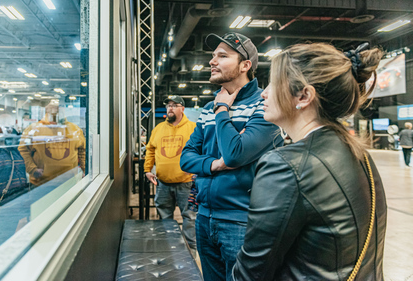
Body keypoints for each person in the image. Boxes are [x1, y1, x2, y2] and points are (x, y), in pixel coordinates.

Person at [232, 43, 388, 280]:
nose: (264, 92)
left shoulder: (286, 165)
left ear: (304, 96)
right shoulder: (357, 153)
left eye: (273, 83)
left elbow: (251, 273)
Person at [180, 32, 283, 281]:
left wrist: (223, 109)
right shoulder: (207, 109)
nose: (212, 61)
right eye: (213, 55)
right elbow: (186, 158)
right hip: (204, 217)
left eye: (223, 56)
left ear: (245, 65)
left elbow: (235, 154)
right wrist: (215, 164)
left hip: (241, 222)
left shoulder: (265, 106)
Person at [144, 95, 197, 252]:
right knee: (165, 219)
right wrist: (147, 170)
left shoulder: (193, 128)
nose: (170, 108)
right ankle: (169, 250)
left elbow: (202, 150)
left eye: (174, 105)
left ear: (182, 108)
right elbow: (150, 149)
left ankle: (190, 252)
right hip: (163, 183)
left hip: (187, 183)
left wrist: (198, 171)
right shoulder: (158, 129)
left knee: (190, 218)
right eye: (168, 105)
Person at [18, 102, 86, 186]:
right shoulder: (34, 129)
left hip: (69, 182)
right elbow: (23, 150)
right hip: (41, 183)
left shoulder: (74, 129)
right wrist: (32, 169)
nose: (55, 112)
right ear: (46, 111)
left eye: (57, 110)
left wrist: (85, 170)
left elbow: (83, 151)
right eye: (52, 110)